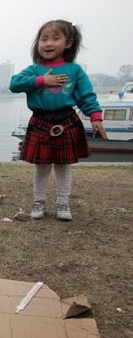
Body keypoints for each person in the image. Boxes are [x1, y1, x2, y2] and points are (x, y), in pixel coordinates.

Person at [9, 20, 106, 221]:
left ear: (68, 43)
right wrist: (42, 81)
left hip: (67, 121)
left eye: (55, 38)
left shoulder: (75, 70)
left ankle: (63, 204)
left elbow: (86, 96)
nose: (48, 43)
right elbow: (14, 83)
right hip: (40, 122)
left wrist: (95, 117)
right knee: (41, 167)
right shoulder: (34, 70)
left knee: (64, 167)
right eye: (43, 39)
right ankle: (39, 203)